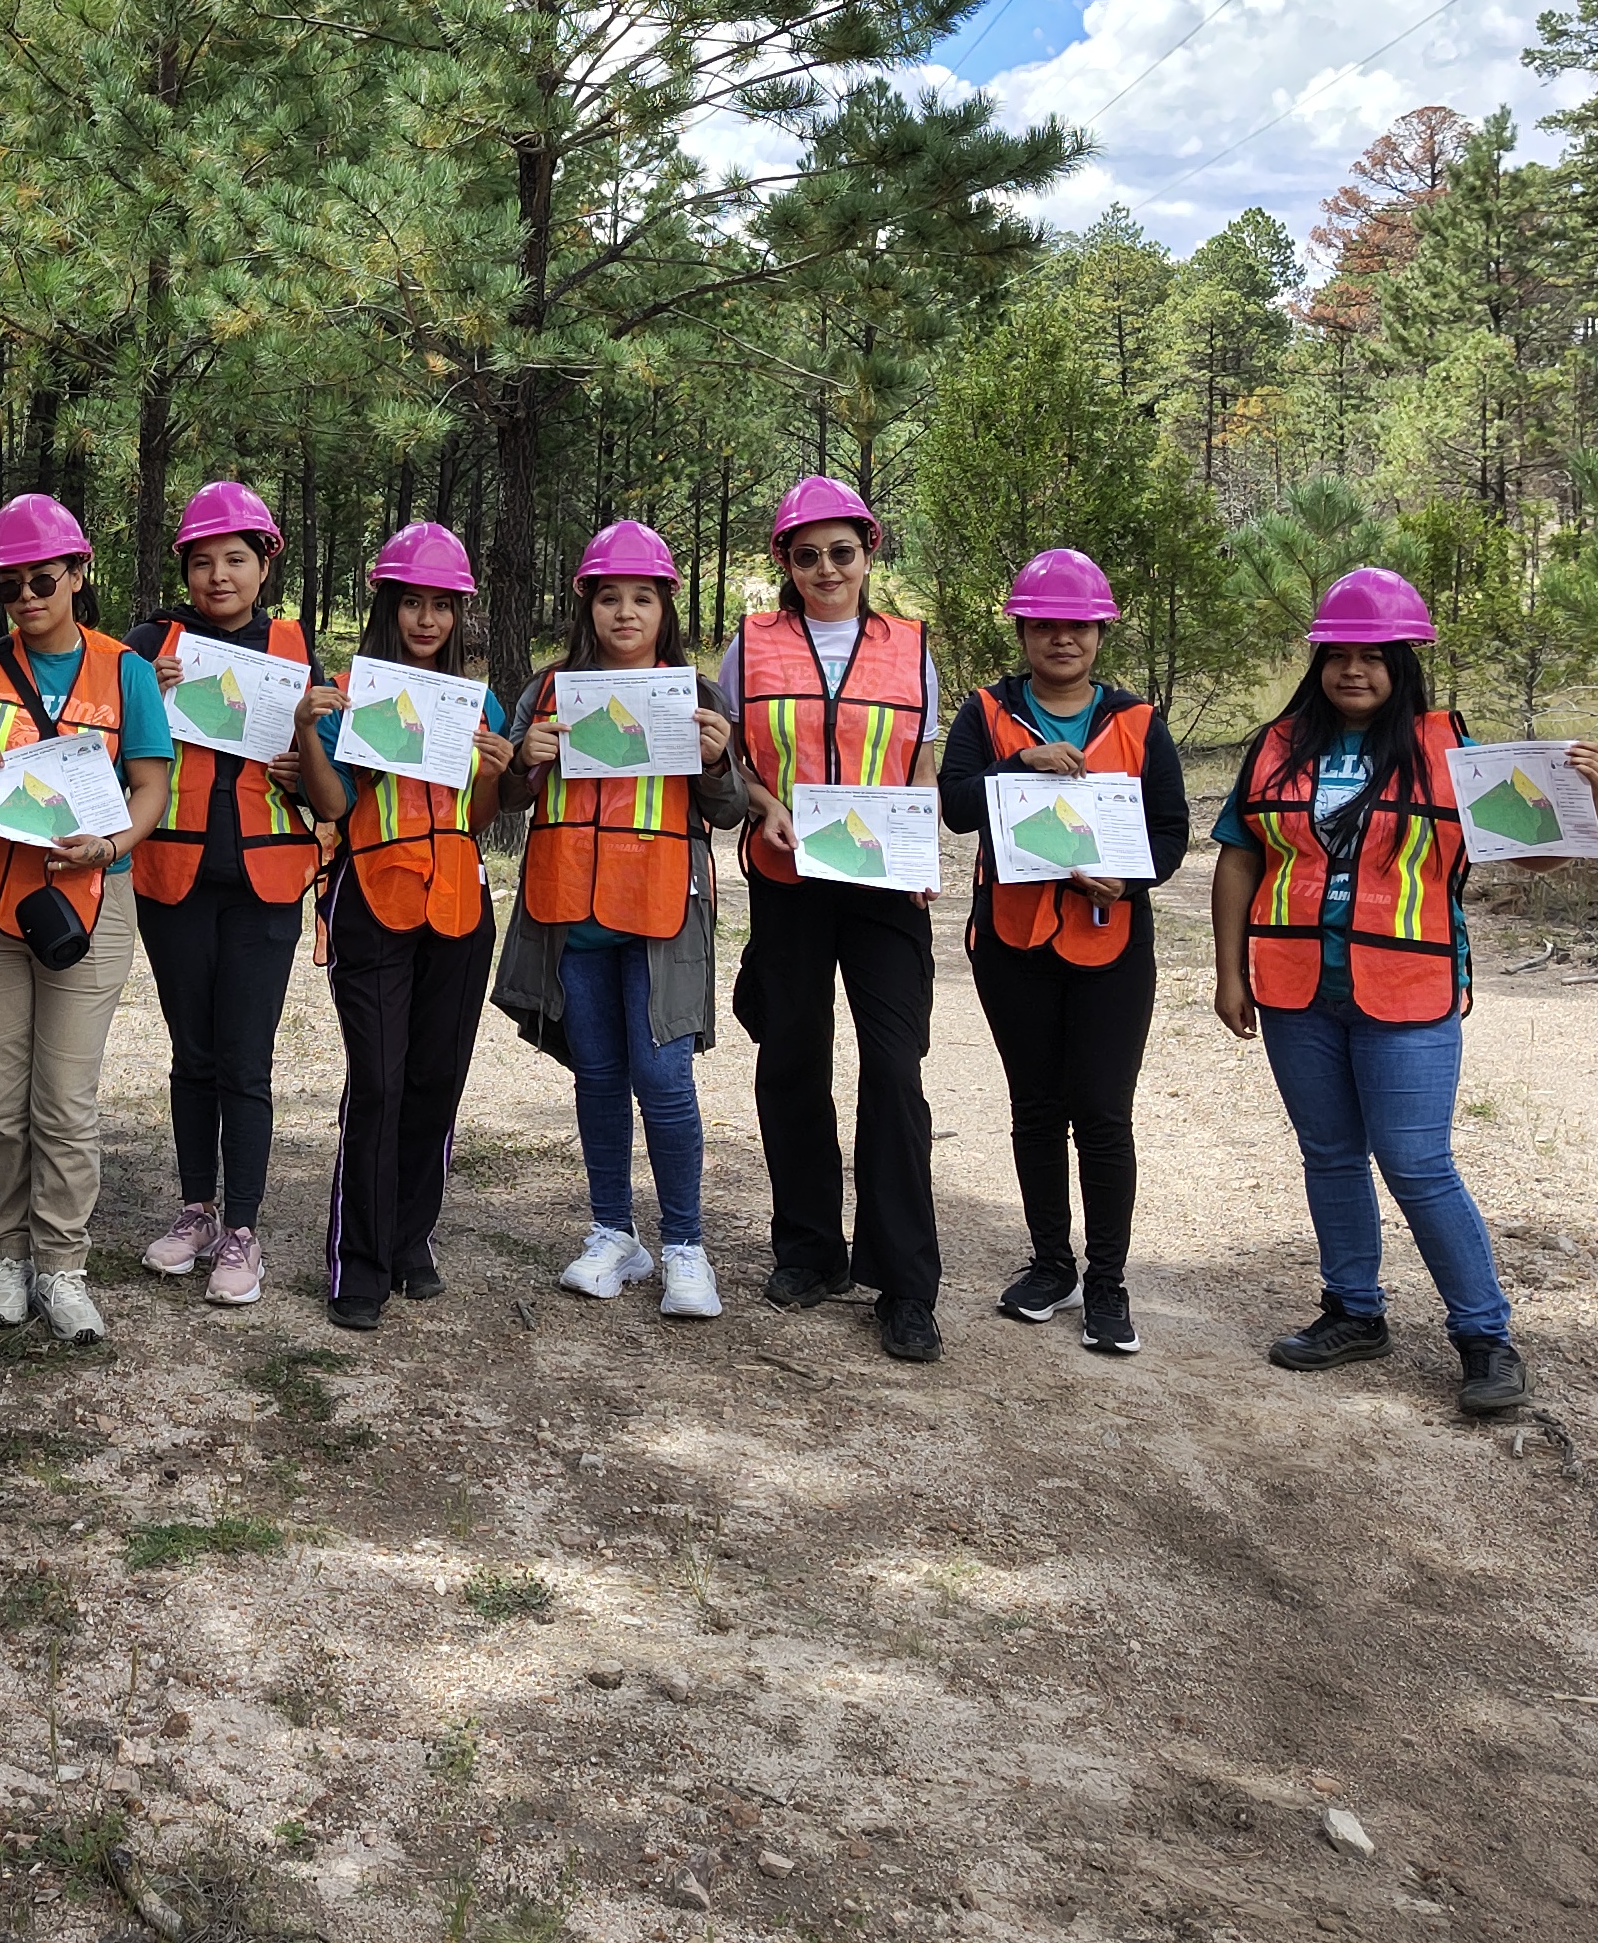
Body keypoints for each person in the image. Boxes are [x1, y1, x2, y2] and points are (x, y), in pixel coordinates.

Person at [1209, 567, 1598, 1419]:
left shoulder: (1450, 753)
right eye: (1337, 655)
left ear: (1405, 662)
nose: (1353, 671)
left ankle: (1484, 1337)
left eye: (1373, 657)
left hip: (1408, 984)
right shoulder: (1279, 744)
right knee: (1328, 1153)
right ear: (1317, 660)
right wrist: (1228, 970)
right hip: (1294, 985)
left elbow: (1526, 854)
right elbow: (1241, 855)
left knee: (1417, 1163)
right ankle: (1353, 1313)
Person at [0, 493, 175, 1346]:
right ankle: (4, 1260)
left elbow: (150, 786)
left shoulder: (124, 669)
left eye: (41, 578)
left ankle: (61, 1267)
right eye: (8, 585)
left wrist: (111, 847)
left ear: (78, 573)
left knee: (64, 1101)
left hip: (87, 907)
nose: (26, 596)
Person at [930, 549, 1192, 1362]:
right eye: (1045, 623)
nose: (1062, 638)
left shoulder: (1141, 722)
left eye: (1078, 625)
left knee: (1103, 1115)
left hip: (1111, 943)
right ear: (1023, 629)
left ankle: (1108, 1284)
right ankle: (1052, 1266)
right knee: (1037, 1107)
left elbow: (1171, 830)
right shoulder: (987, 711)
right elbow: (956, 807)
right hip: (1012, 942)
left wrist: (1129, 877)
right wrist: (1019, 763)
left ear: (1101, 631)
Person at [717, 474, 951, 1364]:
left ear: (869, 552)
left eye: (840, 553)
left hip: (887, 887)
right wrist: (764, 803)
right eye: (806, 555)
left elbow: (924, 757)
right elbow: (729, 754)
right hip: (788, 876)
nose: (825, 569)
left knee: (894, 1070)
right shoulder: (753, 643)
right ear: (785, 560)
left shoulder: (911, 646)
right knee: (792, 1060)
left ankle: (904, 1283)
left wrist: (919, 834)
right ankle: (810, 1251)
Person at [502, 523, 746, 1324]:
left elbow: (731, 809)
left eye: (642, 598)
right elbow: (508, 800)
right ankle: (613, 1232)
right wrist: (526, 757)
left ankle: (686, 1245)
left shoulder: (697, 694)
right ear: (588, 606)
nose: (625, 613)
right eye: (610, 597)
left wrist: (716, 761)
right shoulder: (548, 690)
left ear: (664, 607)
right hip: (570, 912)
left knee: (665, 1079)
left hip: (662, 914)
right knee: (599, 1077)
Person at [129, 482, 349, 1308]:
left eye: (234, 559)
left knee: (246, 1061)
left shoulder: (295, 650)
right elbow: (102, 750)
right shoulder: (148, 644)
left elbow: (331, 801)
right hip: (173, 879)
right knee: (194, 1055)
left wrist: (303, 741)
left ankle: (244, 1230)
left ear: (265, 565)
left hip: (265, 886)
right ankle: (196, 1208)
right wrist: (139, 690)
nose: (218, 575)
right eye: (202, 561)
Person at [317, 523, 513, 1334]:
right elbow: (332, 807)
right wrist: (306, 728)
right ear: (387, 606)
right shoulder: (349, 694)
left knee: (435, 1083)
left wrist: (496, 774)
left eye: (442, 606)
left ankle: (409, 1242)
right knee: (380, 1082)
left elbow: (483, 818)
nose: (426, 620)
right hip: (371, 900)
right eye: (411, 603)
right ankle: (355, 1262)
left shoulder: (480, 705)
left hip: (461, 908)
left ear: (461, 614)